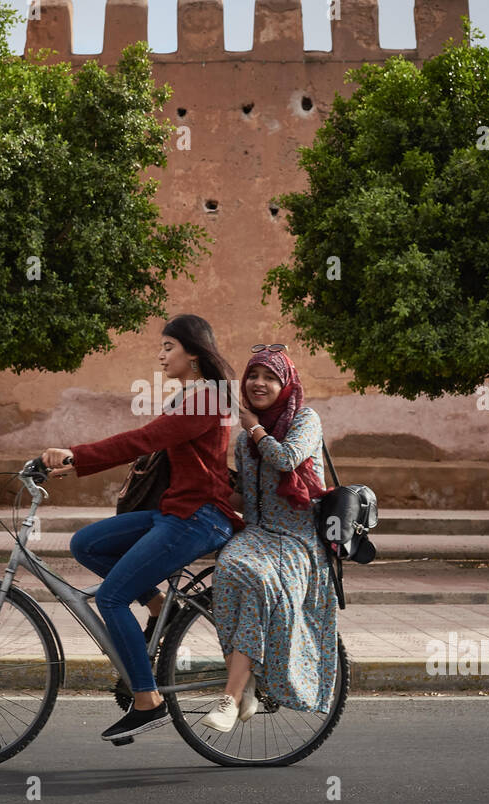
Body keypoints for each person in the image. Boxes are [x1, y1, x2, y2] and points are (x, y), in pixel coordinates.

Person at [41, 314, 242, 742]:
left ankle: (147, 702)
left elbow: (142, 440)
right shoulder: (193, 395)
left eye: (169, 346)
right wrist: (75, 466)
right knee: (87, 544)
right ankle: (156, 609)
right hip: (174, 511)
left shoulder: (208, 397)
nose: (160, 354)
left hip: (198, 518)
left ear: (193, 351)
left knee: (112, 599)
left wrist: (75, 456)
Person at [200, 344, 337, 732]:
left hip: (298, 539)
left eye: (270, 377)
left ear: (286, 383)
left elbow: (287, 459)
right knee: (227, 571)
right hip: (259, 533)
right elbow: (248, 497)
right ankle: (243, 686)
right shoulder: (246, 440)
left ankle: (229, 699)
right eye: (253, 376)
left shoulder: (305, 420)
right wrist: (207, 486)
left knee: (261, 582)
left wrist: (254, 427)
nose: (259, 383)